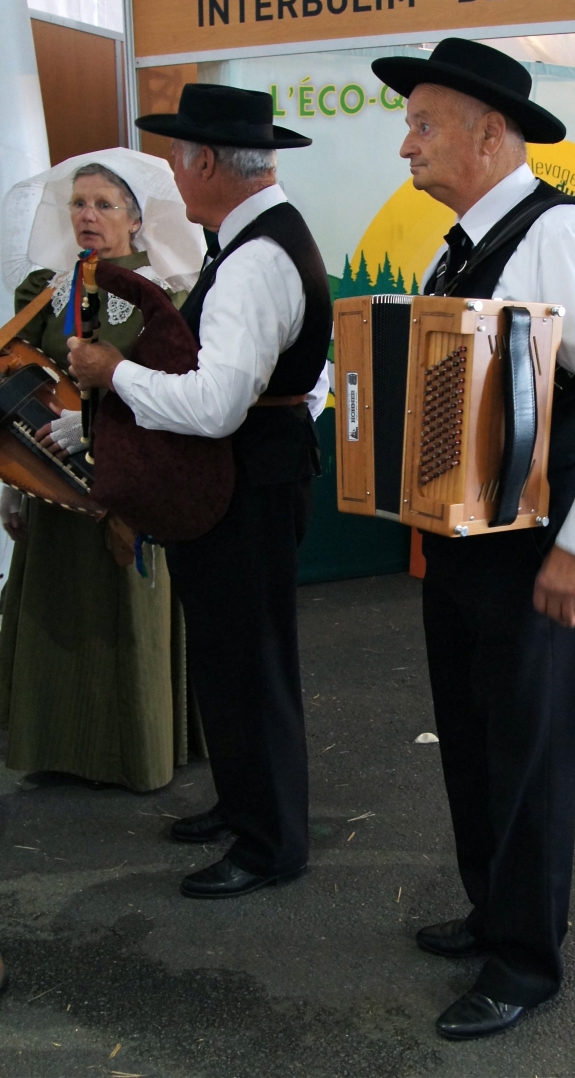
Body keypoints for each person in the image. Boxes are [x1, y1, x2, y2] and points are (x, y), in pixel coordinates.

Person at [370, 39, 575, 1040]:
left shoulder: (562, 234)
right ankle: (488, 909)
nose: (405, 139)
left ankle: (526, 960)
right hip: (464, 546)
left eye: (424, 122)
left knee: (531, 752)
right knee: (471, 736)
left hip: (537, 551)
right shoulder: (454, 246)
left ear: (489, 133)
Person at [68, 84, 332, 900]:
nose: (174, 180)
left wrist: (117, 372)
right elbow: (304, 378)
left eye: (179, 162)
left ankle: (270, 841)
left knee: (249, 663)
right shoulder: (257, 242)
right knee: (230, 657)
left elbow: (216, 406)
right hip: (253, 473)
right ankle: (245, 804)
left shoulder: (255, 260)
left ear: (208, 162)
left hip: (242, 483)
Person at [0, 150, 205, 791]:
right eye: (79, 204)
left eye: (104, 205)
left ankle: (135, 752)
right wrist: (10, 478)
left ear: (137, 220)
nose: (88, 216)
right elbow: (19, 381)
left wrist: (103, 424)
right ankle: (61, 747)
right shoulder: (46, 294)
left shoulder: (164, 297)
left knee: (127, 610)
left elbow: (177, 391)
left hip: (130, 482)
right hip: (53, 475)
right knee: (57, 610)